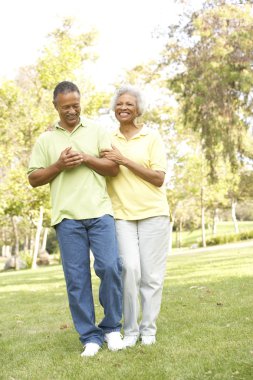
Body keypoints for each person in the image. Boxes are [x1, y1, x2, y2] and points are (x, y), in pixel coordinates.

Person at [27, 81, 124, 357]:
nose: (72, 110)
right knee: (77, 280)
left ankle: (112, 328)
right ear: (55, 106)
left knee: (110, 268)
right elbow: (34, 179)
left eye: (75, 105)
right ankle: (89, 337)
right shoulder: (46, 140)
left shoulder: (96, 130)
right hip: (67, 219)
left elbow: (114, 168)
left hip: (100, 213)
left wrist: (86, 159)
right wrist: (58, 165)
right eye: (66, 106)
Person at [100, 85, 170, 348]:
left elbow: (159, 178)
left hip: (153, 213)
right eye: (119, 104)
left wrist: (124, 160)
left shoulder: (152, 138)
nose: (123, 108)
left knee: (151, 276)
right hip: (121, 215)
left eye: (129, 104)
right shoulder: (106, 138)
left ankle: (148, 329)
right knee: (129, 270)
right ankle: (129, 331)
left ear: (138, 109)